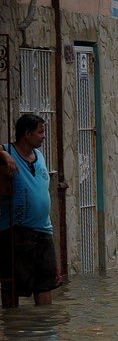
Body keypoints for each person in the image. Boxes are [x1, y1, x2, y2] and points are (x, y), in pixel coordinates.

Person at [1, 114, 59, 307]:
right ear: (27, 134)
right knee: (13, 285)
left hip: (43, 231)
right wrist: (4, 155)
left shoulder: (39, 156)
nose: (44, 136)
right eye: (40, 132)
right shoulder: (8, 151)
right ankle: (13, 323)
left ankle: (44, 322)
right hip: (17, 231)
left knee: (45, 284)